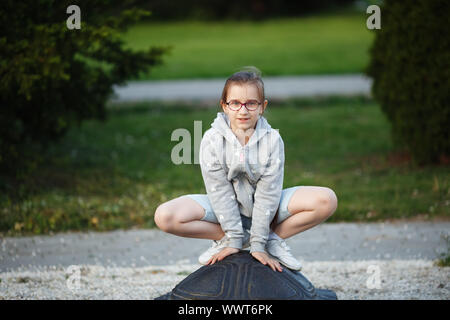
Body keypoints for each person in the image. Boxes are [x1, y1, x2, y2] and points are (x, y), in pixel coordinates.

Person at [154, 66, 338, 272]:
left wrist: (259, 245)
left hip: (268, 209)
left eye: (251, 103)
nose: (243, 110)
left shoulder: (272, 140)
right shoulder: (211, 140)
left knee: (326, 200)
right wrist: (233, 238)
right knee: (165, 216)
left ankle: (271, 240)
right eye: (235, 103)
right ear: (224, 106)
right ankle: (230, 239)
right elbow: (219, 192)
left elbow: (269, 193)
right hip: (223, 209)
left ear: (262, 106)